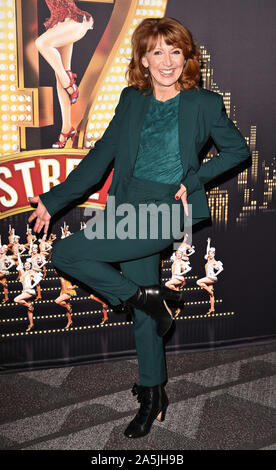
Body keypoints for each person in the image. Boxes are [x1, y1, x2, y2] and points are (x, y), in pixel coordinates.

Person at [28, 17, 250, 438]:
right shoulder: (131, 99)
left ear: (185, 58)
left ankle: (146, 298)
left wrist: (195, 178)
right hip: (127, 207)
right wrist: (54, 199)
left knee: (65, 254)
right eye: (156, 52)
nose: (166, 61)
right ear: (143, 60)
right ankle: (155, 393)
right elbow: (100, 158)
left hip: (166, 209)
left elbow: (237, 150)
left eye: (175, 51)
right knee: (147, 316)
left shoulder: (204, 103)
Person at [35, 0, 94, 148]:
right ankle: (66, 128)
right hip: (61, 24)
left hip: (75, 21)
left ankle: (69, 83)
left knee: (41, 43)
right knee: (59, 73)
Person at [197, 237, 224, 314]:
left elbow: (221, 269)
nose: (210, 255)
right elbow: (207, 249)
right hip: (209, 279)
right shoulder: (208, 259)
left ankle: (210, 291)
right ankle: (212, 308)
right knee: (211, 295)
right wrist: (208, 243)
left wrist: (215, 274)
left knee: (198, 282)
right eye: (209, 253)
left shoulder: (215, 262)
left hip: (211, 278)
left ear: (214, 254)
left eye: (212, 253)